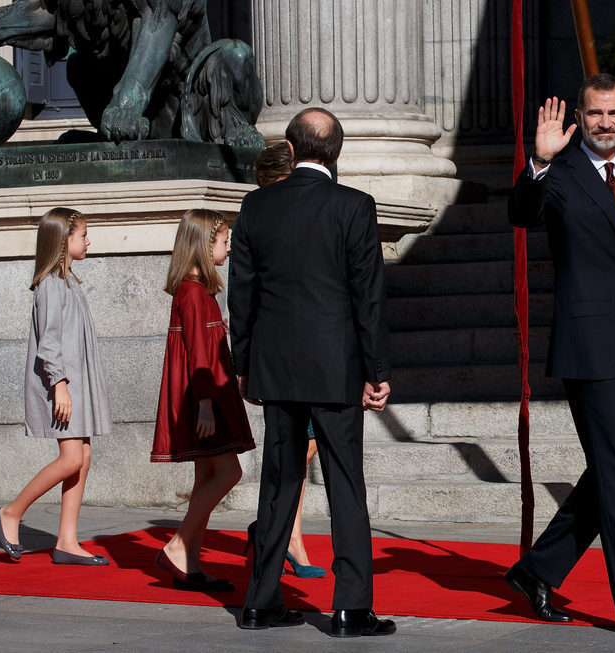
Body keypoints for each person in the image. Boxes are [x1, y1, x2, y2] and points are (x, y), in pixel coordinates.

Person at [504, 73, 615, 642]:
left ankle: (537, 570)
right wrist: (538, 161)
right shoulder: (559, 173)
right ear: (579, 118)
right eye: (595, 114)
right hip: (588, 347)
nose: (605, 123)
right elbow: (520, 215)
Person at [229, 107, 394, 636]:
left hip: (276, 368)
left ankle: (259, 601)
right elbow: (368, 298)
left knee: (279, 482)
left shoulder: (256, 206)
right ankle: (351, 608)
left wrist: (243, 366)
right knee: (345, 483)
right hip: (336, 366)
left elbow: (242, 296)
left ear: (292, 149)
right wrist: (376, 369)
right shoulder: (355, 206)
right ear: (336, 152)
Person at [0, 208, 113, 566]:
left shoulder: (69, 282)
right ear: (62, 241)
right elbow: (49, 342)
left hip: (74, 384)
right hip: (61, 385)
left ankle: (67, 541)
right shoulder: (50, 284)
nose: (88, 241)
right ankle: (11, 512)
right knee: (72, 457)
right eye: (82, 235)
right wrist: (59, 385)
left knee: (83, 458)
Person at [150, 209, 256, 591]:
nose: (228, 249)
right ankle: (178, 546)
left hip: (209, 395)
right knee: (230, 472)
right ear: (204, 244)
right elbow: (197, 355)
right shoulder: (194, 293)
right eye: (224, 241)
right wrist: (207, 404)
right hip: (205, 398)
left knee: (207, 477)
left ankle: (190, 562)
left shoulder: (198, 291)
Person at [253, 143, 326, 580]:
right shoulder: (266, 218)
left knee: (303, 447)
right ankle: (287, 536)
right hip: (286, 353)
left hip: (309, 350)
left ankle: (282, 532)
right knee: (295, 448)